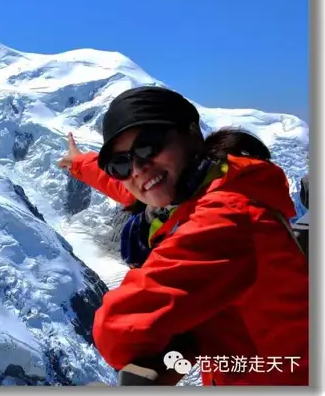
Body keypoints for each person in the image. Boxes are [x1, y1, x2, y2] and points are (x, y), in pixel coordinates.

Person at [58, 85, 309, 386]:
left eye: (148, 147)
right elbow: (134, 187)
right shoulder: (217, 178)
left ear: (191, 134)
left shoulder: (226, 218)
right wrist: (79, 164)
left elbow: (117, 330)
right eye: (121, 164)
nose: (137, 169)